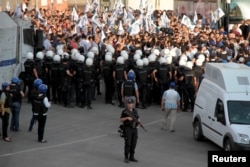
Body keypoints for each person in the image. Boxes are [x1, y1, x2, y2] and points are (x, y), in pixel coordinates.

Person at [120, 98, 140, 163]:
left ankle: (132, 156)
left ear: (133, 104)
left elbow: (138, 117)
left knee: (134, 143)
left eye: (131, 103)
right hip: (128, 129)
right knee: (128, 143)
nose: (130, 105)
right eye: (128, 103)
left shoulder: (135, 111)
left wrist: (139, 121)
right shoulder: (125, 111)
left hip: (134, 129)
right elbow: (120, 119)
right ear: (127, 104)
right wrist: (127, 118)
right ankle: (126, 157)